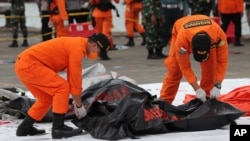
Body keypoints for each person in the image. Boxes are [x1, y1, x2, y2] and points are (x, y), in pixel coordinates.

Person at [14, 33, 111, 139]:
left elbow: (72, 76)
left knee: (46, 98)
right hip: (30, 66)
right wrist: (78, 105)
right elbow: (75, 77)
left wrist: (76, 102)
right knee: (61, 88)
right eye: (98, 52)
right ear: (94, 46)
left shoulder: (77, 44)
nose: (96, 55)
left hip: (23, 65)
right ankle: (58, 128)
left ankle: (24, 127)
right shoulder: (77, 48)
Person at [159, 15, 228, 104]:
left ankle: (206, 97)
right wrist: (197, 88)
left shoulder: (219, 36)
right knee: (175, 69)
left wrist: (218, 84)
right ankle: (165, 101)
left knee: (211, 67)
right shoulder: (182, 41)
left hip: (208, 32)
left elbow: (222, 61)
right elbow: (184, 66)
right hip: (181, 28)